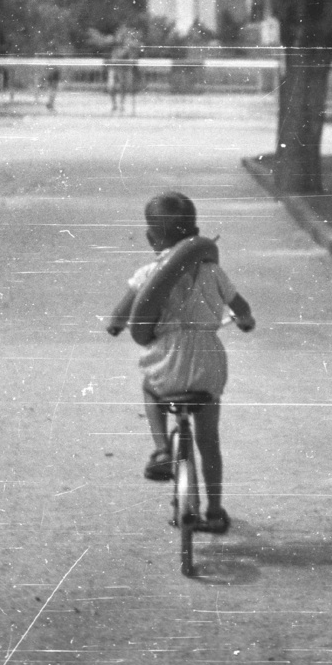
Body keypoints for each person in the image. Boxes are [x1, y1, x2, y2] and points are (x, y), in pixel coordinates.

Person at [106, 191, 255, 534]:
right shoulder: (214, 271)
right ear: (197, 233)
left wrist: (115, 325)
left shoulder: (147, 274)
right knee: (209, 442)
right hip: (207, 361)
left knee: (150, 386)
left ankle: (161, 450)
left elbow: (122, 312)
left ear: (150, 238)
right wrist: (245, 320)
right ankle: (215, 511)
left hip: (166, 359)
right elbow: (240, 306)